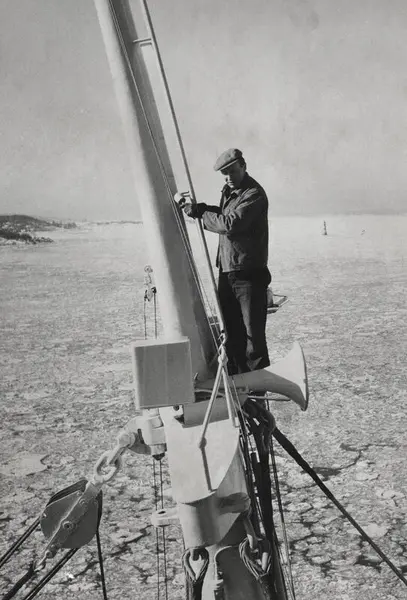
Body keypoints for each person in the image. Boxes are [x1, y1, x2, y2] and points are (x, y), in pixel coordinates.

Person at [176, 148, 271, 375]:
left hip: (249, 275)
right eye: (224, 173)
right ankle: (238, 382)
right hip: (228, 272)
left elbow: (230, 224)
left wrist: (199, 214)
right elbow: (223, 213)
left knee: (253, 337)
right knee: (232, 333)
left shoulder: (253, 194)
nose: (228, 177)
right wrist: (203, 209)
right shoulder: (231, 192)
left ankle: (258, 388)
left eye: (232, 171)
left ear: (243, 166)